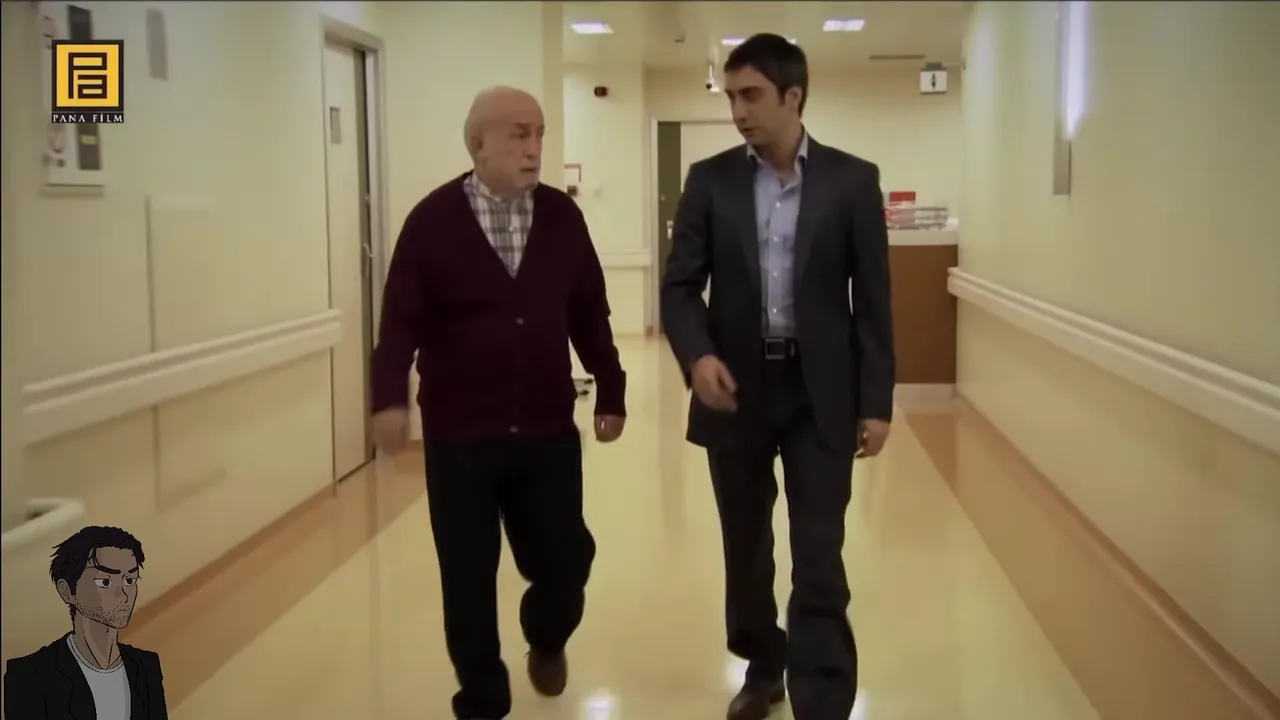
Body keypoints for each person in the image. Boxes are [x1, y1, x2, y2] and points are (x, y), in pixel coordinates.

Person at [369, 86, 627, 720]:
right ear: (477, 144)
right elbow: (398, 322)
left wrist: (611, 386)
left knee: (566, 559)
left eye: (538, 133)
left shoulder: (562, 218)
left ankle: (547, 634)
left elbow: (589, 311)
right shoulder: (431, 222)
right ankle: (483, 700)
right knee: (467, 579)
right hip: (460, 437)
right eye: (518, 134)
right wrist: (388, 397)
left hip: (545, 430)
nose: (534, 147)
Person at [660, 34, 895, 720]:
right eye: (731, 96)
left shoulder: (852, 181)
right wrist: (697, 356)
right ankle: (764, 666)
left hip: (821, 392)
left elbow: (873, 301)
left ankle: (823, 694)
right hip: (736, 390)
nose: (738, 111)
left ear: (794, 97)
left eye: (752, 95)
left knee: (818, 548)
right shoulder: (710, 181)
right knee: (747, 547)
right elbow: (679, 288)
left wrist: (876, 402)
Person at [4, 526, 169, 719]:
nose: (124, 594)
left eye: (130, 580)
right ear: (67, 591)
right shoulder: (28, 677)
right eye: (105, 582)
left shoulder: (147, 667)